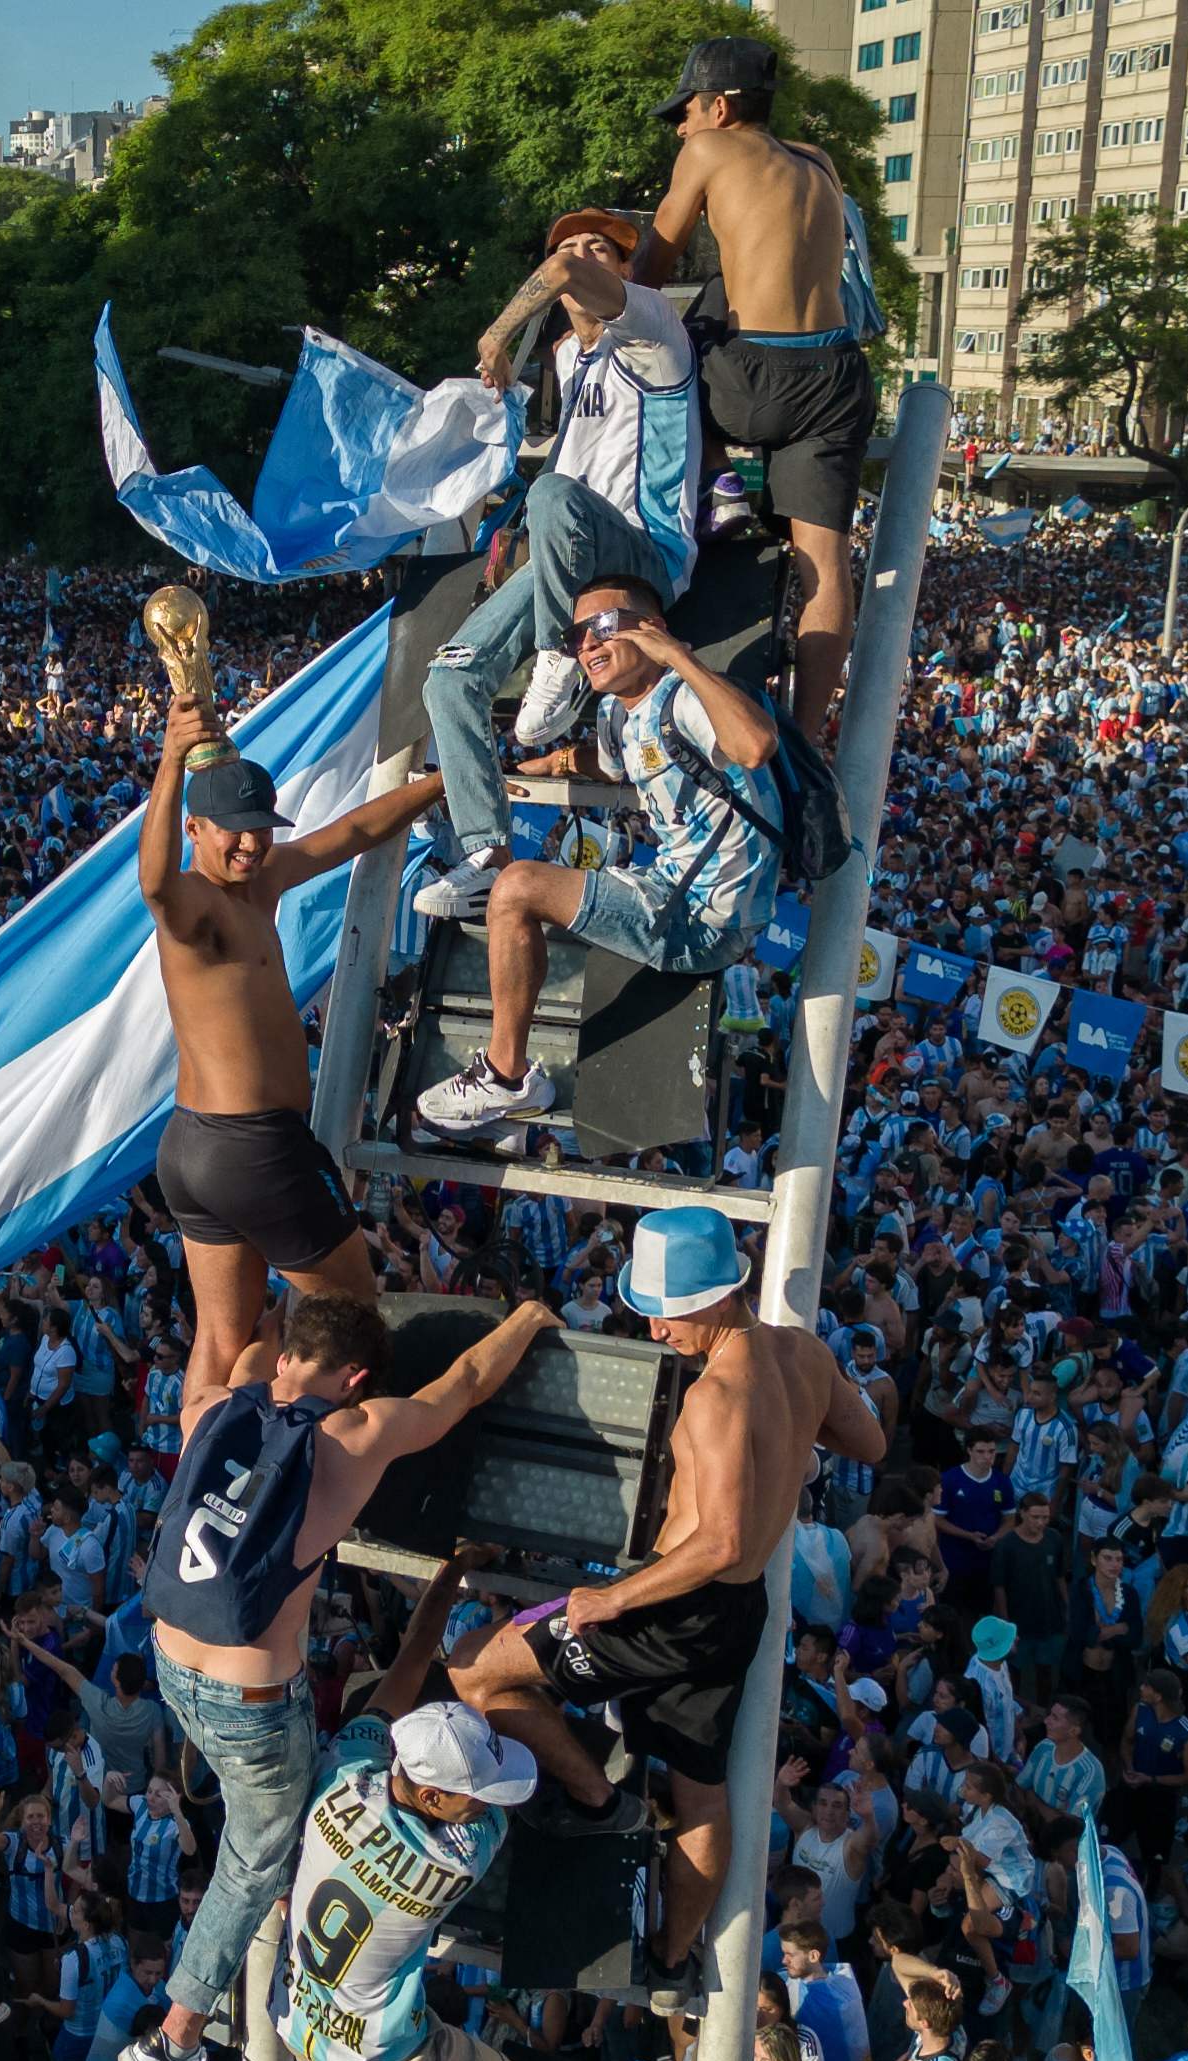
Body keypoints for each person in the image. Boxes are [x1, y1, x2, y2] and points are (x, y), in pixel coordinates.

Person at [117, 1292, 563, 2061]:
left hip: (171, 1662)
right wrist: (529, 1318)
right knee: (252, 1858)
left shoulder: (208, 1409)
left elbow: (241, 1352)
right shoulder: (350, 1438)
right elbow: (463, 1382)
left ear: (285, 1352)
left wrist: (264, 1322)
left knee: (269, 1823)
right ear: (356, 1378)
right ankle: (173, 2043)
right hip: (251, 1700)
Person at [453, 1209, 885, 1974]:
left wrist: (611, 1600)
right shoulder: (805, 1356)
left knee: (472, 1665)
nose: (655, 1334)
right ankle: (672, 1950)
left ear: (718, 1298)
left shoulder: (715, 1395)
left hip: (670, 1606)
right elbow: (869, 1443)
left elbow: (716, 1539)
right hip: (733, 1610)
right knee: (700, 1792)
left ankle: (597, 1799)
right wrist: (789, 1444)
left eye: (665, 1316)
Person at [137, 693, 453, 1381]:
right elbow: (155, 884)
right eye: (233, 830)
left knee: (223, 1341)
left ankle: (210, 1467)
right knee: (353, 1315)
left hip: (196, 1147)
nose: (251, 843)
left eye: (261, 828)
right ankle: (332, 1464)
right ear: (194, 827)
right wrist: (167, 762)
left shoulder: (263, 879)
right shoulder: (195, 905)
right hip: (252, 1149)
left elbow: (349, 833)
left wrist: (439, 780)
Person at [411, 579, 785, 1137]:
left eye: (604, 627)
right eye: (575, 635)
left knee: (514, 887)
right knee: (517, 889)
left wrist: (678, 656)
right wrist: (548, 764)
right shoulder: (618, 713)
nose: (585, 645)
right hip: (668, 886)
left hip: (706, 919)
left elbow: (755, 746)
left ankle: (508, 1079)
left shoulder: (688, 696)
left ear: (650, 629)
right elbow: (609, 765)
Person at [264, 1563, 542, 2061]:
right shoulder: (453, 1853)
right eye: (469, 1792)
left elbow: (403, 1674)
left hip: (300, 2012)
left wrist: (445, 1584)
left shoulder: (342, 1772)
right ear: (426, 1792)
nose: (477, 1802)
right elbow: (488, 1713)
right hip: (381, 2047)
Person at [429, 207, 708, 920]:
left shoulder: (651, 330)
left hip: (644, 555)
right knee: (449, 677)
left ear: (620, 272)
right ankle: (487, 854)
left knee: (556, 495)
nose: (581, 259)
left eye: (599, 251)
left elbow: (556, 274)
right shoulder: (564, 357)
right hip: (567, 560)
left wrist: (496, 334)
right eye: (570, 248)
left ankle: (558, 653)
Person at [629, 35, 881, 738]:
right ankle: (804, 733)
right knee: (825, 566)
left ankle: (718, 480)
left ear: (718, 106)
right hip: (834, 376)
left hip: (749, 377)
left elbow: (650, 262)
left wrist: (598, 324)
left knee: (676, 322)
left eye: (685, 110)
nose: (679, 126)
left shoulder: (709, 151)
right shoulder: (817, 161)